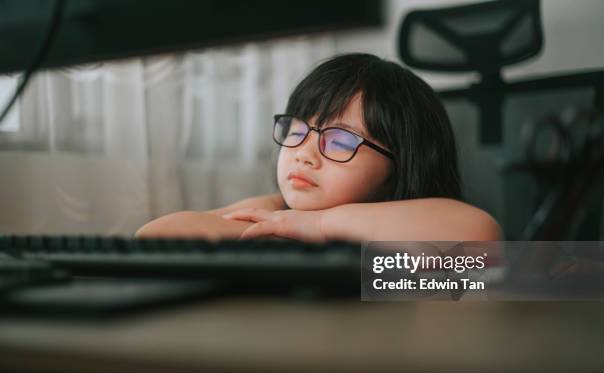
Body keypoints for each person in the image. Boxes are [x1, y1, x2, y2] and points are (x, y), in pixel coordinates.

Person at [135, 53, 502, 242]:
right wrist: (272, 216)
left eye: (340, 140)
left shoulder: (406, 239)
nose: (304, 153)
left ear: (400, 168)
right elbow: (154, 237)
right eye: (297, 130)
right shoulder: (278, 217)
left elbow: (477, 234)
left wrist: (320, 223)